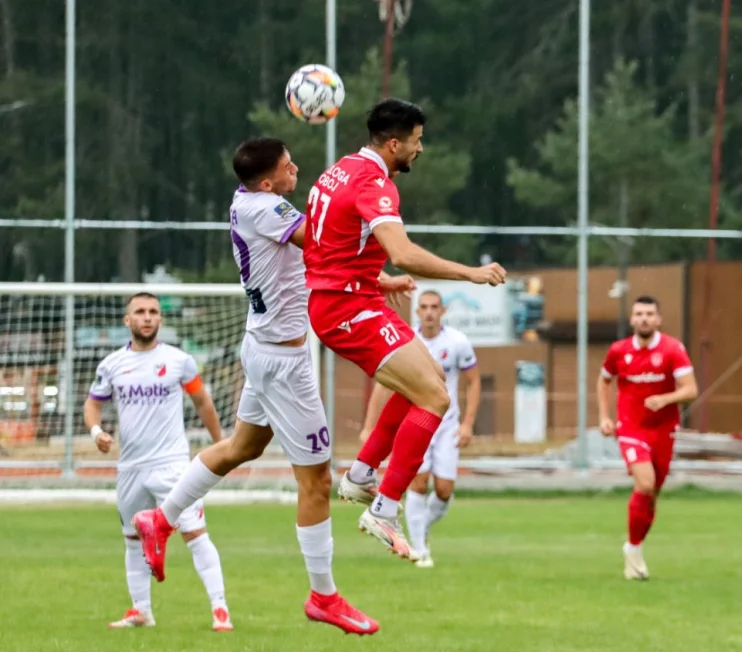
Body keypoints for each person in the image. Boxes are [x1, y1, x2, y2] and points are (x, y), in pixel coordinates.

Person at [131, 138, 382, 635]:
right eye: (289, 167)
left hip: (265, 349)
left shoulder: (248, 199)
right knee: (317, 482)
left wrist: (373, 278)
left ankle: (160, 520)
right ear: (268, 182)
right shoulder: (268, 207)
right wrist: (374, 225)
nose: (297, 169)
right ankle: (324, 596)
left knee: (240, 447)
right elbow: (321, 244)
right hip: (284, 362)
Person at [303, 99, 505, 559]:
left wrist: (376, 279)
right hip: (347, 308)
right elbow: (406, 253)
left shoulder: (338, 171)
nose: (420, 149)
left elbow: (327, 247)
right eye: (416, 141)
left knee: (429, 378)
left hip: (351, 296)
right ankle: (384, 507)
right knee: (435, 397)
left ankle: (360, 476)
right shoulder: (374, 183)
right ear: (394, 143)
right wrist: (470, 273)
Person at [85, 293, 231, 631]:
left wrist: (222, 446)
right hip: (131, 468)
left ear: (160, 321)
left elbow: (202, 402)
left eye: (153, 312)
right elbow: (93, 404)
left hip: (172, 465)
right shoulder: (111, 365)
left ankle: (220, 609)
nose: (147, 317)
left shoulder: (179, 361)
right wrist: (96, 432)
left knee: (194, 532)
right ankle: (141, 611)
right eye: (140, 312)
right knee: (133, 538)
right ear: (128, 320)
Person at [343, 290, 480, 567]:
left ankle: (420, 526)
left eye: (434, 307)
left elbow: (473, 382)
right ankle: (419, 548)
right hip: (416, 422)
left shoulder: (457, 342)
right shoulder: (406, 341)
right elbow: (384, 384)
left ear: (442, 311)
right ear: (417, 311)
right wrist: (369, 426)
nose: (429, 312)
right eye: (424, 307)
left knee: (443, 490)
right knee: (417, 483)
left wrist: (467, 424)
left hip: (447, 426)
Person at [596, 296, 698, 580]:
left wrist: (665, 399)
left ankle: (635, 546)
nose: (644, 318)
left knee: (651, 494)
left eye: (649, 314)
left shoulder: (672, 349)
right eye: (639, 313)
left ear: (658, 319)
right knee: (645, 482)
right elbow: (604, 380)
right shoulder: (619, 351)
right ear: (632, 320)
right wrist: (605, 417)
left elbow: (691, 390)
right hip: (630, 428)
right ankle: (633, 549)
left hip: (663, 430)